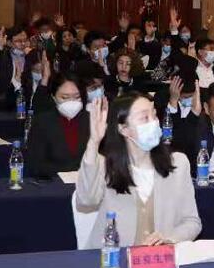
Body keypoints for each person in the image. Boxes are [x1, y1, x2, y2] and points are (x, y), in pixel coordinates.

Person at [74, 93, 201, 248]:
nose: (154, 122)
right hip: (112, 258)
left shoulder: (178, 164)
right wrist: (94, 142)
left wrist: (170, 239)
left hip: (158, 259)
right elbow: (86, 200)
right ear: (124, 129)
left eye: (154, 115)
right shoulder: (105, 166)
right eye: (144, 118)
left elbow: (192, 222)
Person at [25, 72, 89, 179]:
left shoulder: (92, 120)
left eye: (77, 97)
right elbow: (35, 164)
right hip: (54, 183)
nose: (71, 102)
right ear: (54, 97)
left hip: (88, 183)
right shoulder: (42, 122)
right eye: (65, 97)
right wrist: (69, 171)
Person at [0, 26, 34, 104]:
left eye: (25, 40)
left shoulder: (31, 56)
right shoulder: (3, 57)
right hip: (5, 100)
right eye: (18, 41)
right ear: (9, 43)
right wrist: (0, 46)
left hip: (27, 99)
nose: (23, 43)